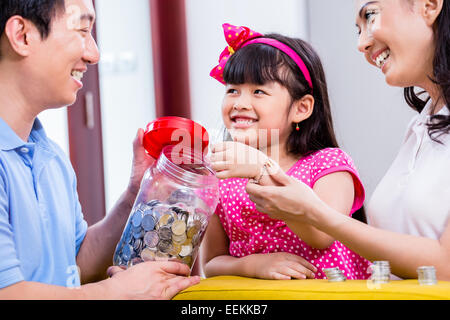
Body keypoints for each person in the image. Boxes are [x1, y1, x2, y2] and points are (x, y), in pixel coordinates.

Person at [0, 0, 199, 299]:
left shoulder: (50, 156)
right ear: (22, 35)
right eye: (82, 29)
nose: (94, 54)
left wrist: (137, 195)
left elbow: (76, 265)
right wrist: (115, 292)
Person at [244, 0, 450, 280]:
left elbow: (444, 263)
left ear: (429, 5)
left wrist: (315, 213)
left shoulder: (329, 165)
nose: (362, 44)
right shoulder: (420, 127)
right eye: (358, 29)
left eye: (371, 15)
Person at [201, 23, 372, 280]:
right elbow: (212, 263)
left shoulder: (328, 165)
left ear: (301, 108)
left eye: (259, 91)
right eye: (232, 90)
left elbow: (322, 235)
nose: (240, 103)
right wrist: (253, 265)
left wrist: (261, 171)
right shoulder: (219, 176)